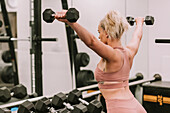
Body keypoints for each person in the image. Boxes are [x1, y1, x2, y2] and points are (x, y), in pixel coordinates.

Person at [55, 10, 147, 113]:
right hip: (134, 105)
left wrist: (71, 22)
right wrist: (139, 23)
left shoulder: (113, 55)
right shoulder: (129, 52)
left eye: (99, 32)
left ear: (107, 33)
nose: (99, 36)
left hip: (120, 108)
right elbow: (137, 36)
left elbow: (92, 41)